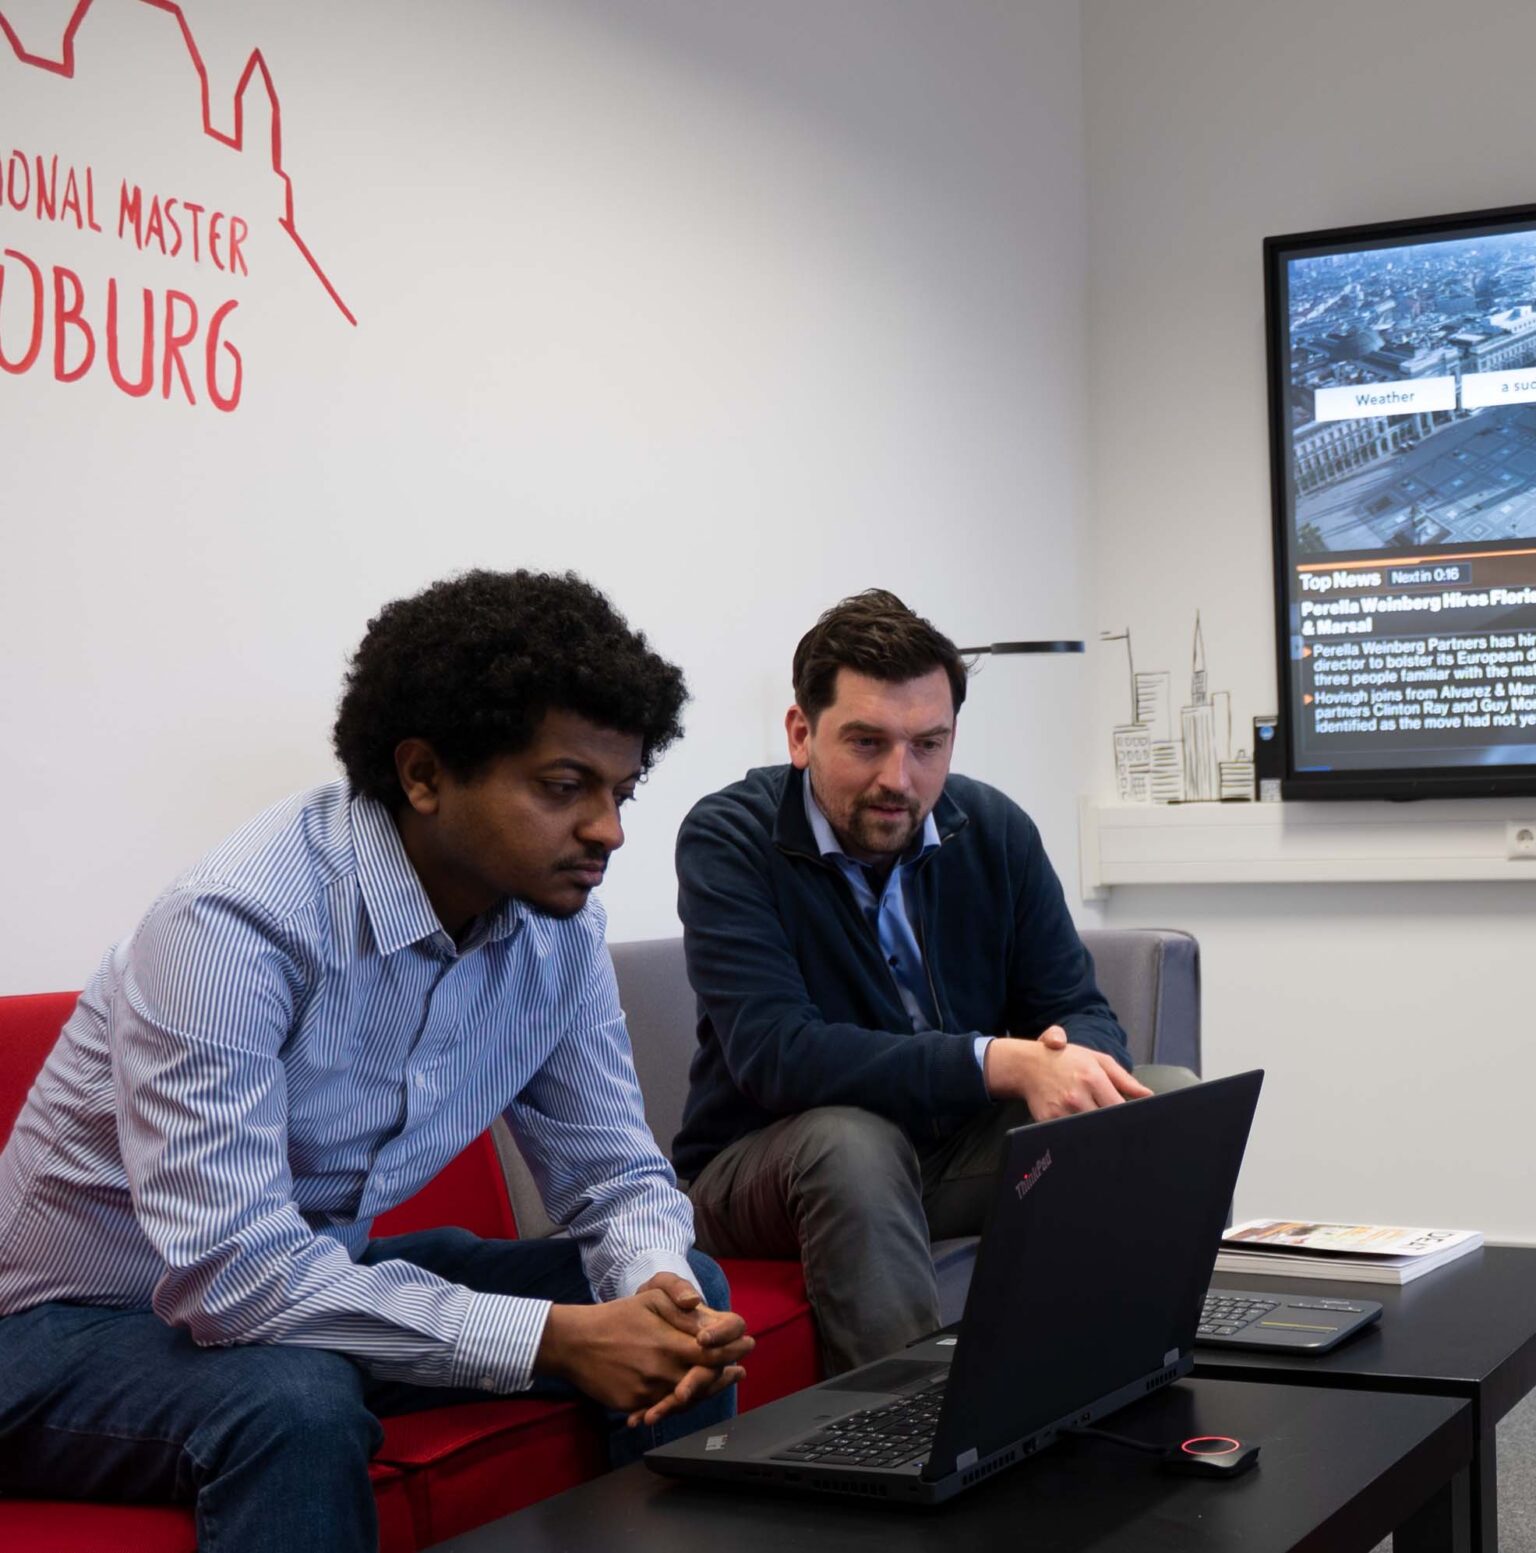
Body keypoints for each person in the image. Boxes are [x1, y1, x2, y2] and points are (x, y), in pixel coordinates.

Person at [0, 570, 751, 1549]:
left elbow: (615, 1178)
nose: (608, 829)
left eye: (622, 790)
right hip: (68, 1324)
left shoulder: (556, 927)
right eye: (565, 787)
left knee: (684, 1292)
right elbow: (232, 1276)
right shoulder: (232, 924)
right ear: (424, 774)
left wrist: (659, 1292)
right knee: (294, 1398)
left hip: (307, 1271)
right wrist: (557, 1338)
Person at [672, 589, 1197, 1374]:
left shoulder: (993, 828)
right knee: (853, 1144)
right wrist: (1001, 1061)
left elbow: (1076, 1005)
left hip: (946, 1151)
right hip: (768, 1166)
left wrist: (1066, 1063)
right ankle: (904, 1445)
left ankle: (1127, 1383)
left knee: (1165, 1101)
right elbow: (777, 1054)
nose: (900, 777)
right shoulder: (728, 838)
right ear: (799, 733)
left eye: (927, 744)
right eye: (866, 742)